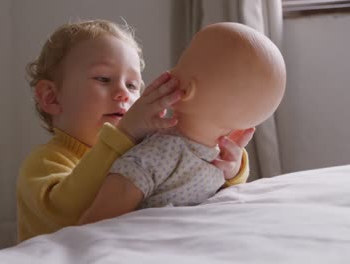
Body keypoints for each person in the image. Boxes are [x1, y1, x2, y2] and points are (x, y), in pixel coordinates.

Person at [17, 19, 252, 241]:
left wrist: (229, 168)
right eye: (103, 78)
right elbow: (68, 214)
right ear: (51, 97)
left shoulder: (144, 148)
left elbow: (185, 179)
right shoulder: (45, 161)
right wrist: (124, 135)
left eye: (132, 85)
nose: (123, 93)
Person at [79, 22, 285, 224]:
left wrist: (234, 171)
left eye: (180, 64)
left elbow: (94, 223)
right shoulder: (209, 162)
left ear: (185, 91)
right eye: (103, 79)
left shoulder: (159, 153)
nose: (172, 69)